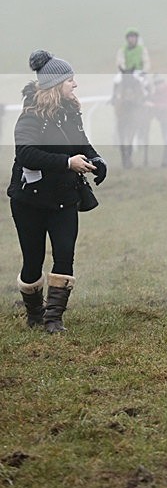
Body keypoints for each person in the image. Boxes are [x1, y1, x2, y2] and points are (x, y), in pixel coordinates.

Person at [7, 50, 107, 333]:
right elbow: (26, 154)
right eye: (70, 80)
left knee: (64, 255)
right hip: (29, 202)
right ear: (55, 85)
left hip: (64, 198)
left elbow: (82, 143)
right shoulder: (29, 118)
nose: (74, 85)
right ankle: (35, 314)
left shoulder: (70, 113)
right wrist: (67, 162)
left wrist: (97, 160)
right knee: (32, 263)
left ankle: (54, 319)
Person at [112, 28, 151, 103]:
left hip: (138, 71)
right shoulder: (122, 49)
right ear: (127, 39)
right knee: (116, 80)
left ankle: (149, 97)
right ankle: (114, 97)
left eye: (133, 37)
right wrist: (124, 71)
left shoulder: (142, 49)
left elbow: (146, 62)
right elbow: (120, 61)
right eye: (130, 37)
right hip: (126, 72)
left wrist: (145, 71)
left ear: (136, 38)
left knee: (147, 82)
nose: (132, 39)